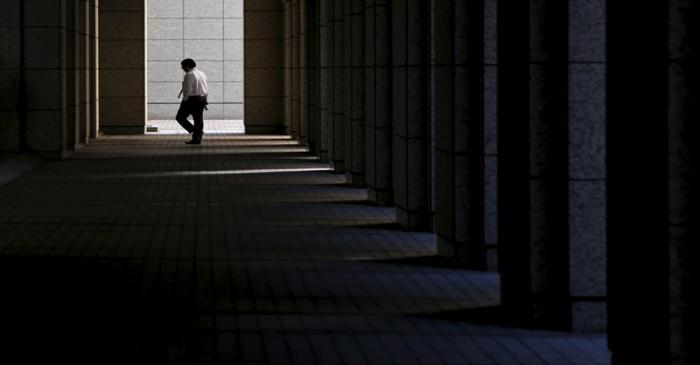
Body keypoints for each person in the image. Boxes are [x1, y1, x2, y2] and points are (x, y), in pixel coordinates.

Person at [176, 58, 208, 144]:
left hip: (191, 99)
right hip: (201, 98)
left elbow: (187, 90)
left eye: (183, 67)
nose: (182, 69)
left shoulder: (189, 75)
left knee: (180, 117)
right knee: (198, 119)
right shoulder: (202, 74)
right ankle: (197, 139)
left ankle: (197, 132)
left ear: (187, 66)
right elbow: (205, 88)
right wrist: (205, 100)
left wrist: (185, 100)